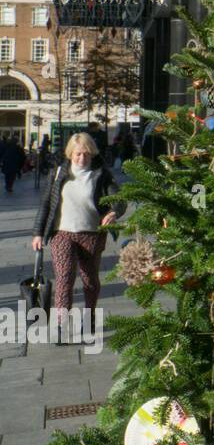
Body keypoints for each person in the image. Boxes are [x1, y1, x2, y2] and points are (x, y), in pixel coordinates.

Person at [32, 133, 123, 344]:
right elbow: (46, 204)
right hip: (62, 233)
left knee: (90, 281)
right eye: (77, 154)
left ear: (92, 154)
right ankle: (61, 326)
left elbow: (119, 199)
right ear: (70, 153)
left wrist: (113, 213)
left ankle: (89, 318)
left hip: (91, 233)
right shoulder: (58, 174)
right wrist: (37, 233)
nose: (81, 158)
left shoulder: (101, 174)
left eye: (86, 154)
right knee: (64, 278)